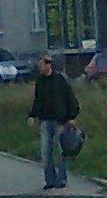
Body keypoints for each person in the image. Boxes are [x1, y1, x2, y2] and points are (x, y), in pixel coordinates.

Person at [27, 55, 79, 191]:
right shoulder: (40, 81)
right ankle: (49, 180)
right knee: (46, 151)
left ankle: (61, 179)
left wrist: (72, 116)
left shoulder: (60, 79)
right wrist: (32, 115)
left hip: (61, 120)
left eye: (41, 65)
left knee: (62, 151)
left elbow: (70, 97)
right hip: (45, 120)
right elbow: (37, 99)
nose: (39, 67)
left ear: (48, 65)